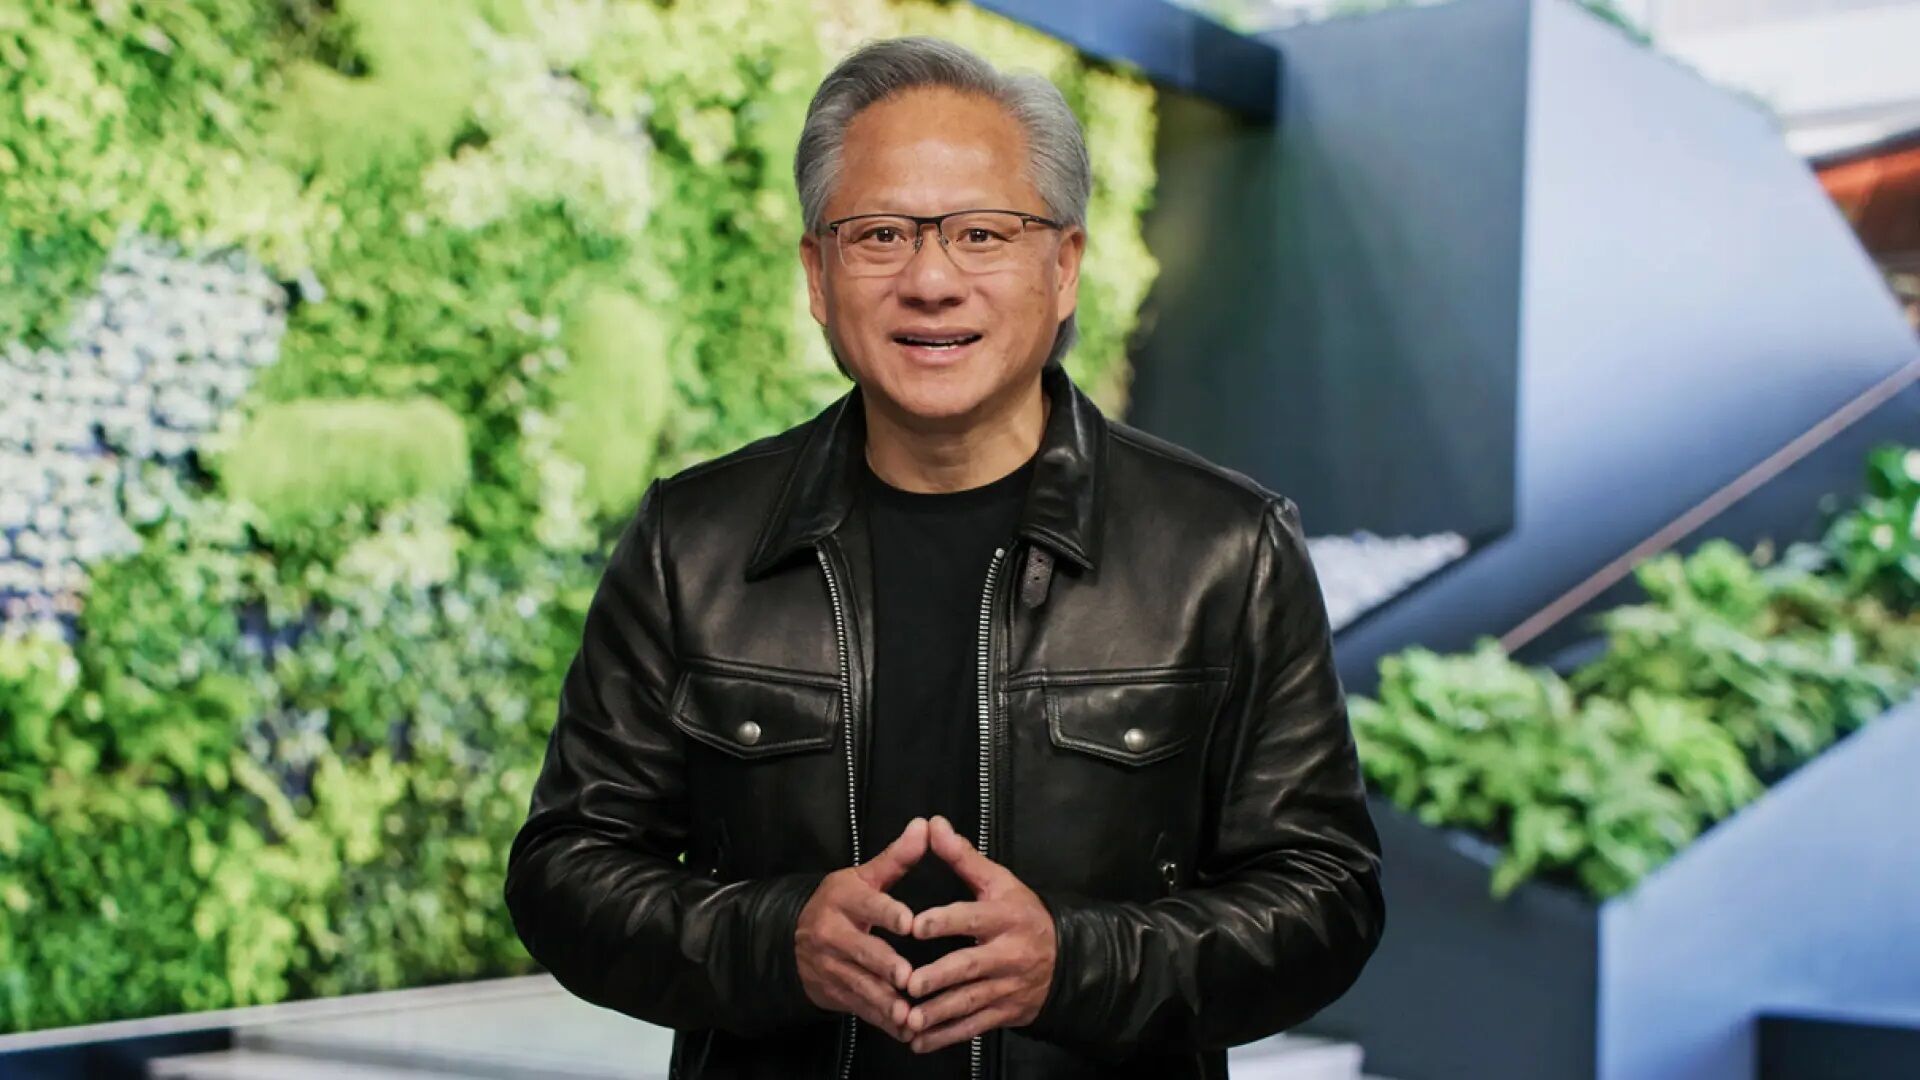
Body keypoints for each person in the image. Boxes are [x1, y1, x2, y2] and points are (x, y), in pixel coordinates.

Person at [504, 34, 1385, 1080]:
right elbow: (565, 873)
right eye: (880, 234)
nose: (931, 280)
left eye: (982, 234)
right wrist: (777, 941)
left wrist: (1077, 964)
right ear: (818, 275)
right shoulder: (690, 542)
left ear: (1063, 266)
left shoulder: (1226, 550)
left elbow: (1326, 897)